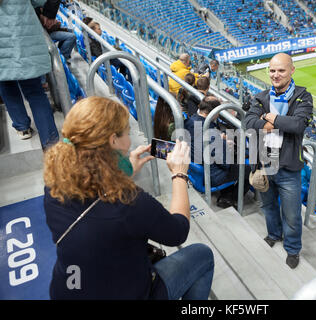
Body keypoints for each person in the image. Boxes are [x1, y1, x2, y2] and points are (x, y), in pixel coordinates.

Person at [43, 96, 214, 299]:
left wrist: (123, 173)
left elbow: (96, 207)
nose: (130, 141)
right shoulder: (130, 203)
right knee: (203, 255)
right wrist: (179, 174)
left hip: (71, 289)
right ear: (113, 140)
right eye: (127, 133)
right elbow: (178, 231)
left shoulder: (55, 183)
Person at [244, 53, 313, 269]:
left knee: (292, 214)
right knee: (268, 205)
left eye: (281, 70)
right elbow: (248, 122)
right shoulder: (261, 97)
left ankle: (292, 249)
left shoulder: (303, 96)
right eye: (272, 70)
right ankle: (274, 234)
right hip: (265, 162)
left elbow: (297, 126)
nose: (275, 75)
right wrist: (276, 122)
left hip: (289, 167)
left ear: (292, 70)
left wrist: (269, 117)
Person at [0, 0, 59, 149]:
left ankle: (22, 127)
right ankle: (51, 144)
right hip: (23, 40)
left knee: (6, 86)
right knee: (35, 92)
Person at [185, 96, 251, 208]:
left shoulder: (189, 121)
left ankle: (226, 193)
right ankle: (230, 199)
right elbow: (225, 164)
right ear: (214, 112)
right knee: (249, 169)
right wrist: (226, 145)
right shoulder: (211, 134)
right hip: (212, 175)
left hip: (195, 169)